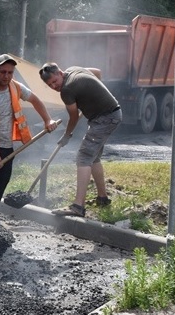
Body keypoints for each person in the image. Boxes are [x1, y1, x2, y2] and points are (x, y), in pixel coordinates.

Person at [0, 54, 58, 247]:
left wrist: (47, 120)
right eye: (3, 72)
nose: (6, 76)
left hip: (6, 149)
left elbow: (35, 99)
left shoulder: (15, 87)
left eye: (10, 72)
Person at [39, 62, 122, 217]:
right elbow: (97, 71)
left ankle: (78, 207)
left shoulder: (67, 90)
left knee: (83, 158)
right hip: (111, 114)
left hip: (105, 118)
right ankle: (102, 198)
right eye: (49, 85)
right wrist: (93, 93)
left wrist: (67, 136)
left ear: (60, 73)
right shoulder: (74, 70)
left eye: (55, 81)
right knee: (93, 157)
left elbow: (73, 117)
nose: (54, 86)